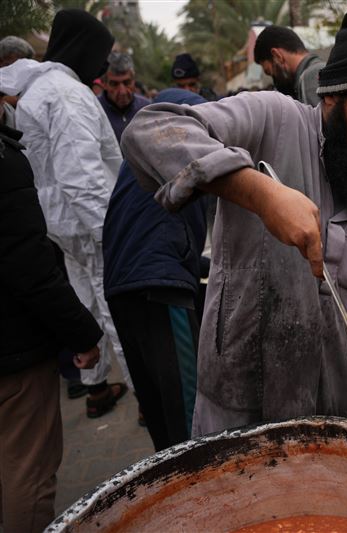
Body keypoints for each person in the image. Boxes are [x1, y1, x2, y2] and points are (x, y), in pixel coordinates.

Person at [122, 11, 347, 436]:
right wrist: (262, 195)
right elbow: (151, 130)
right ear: (332, 96)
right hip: (242, 402)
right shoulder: (272, 116)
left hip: (329, 411)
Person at [0, 9, 131, 418]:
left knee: (86, 300)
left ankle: (95, 387)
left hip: (62, 223)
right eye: (102, 55)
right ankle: (147, 395)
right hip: (89, 224)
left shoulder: (40, 91)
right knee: (118, 312)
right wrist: (112, 233)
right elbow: (82, 179)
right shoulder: (66, 94)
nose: (104, 65)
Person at [0, 121, 102, 533]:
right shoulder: (4, 162)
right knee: (28, 473)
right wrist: (82, 334)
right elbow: (29, 266)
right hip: (13, 358)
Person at [103, 88, 210, 452]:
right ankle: (199, 493)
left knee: (158, 407)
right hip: (160, 286)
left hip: (123, 286)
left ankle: (170, 486)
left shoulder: (139, 155)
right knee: (188, 411)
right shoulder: (187, 141)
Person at [254, 25, 325, 105]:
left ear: (277, 56)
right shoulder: (320, 70)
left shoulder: (310, 76)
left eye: (270, 72)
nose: (274, 81)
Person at [98, 51, 151, 143]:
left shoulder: (147, 108)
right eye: (114, 84)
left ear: (134, 81)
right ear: (104, 84)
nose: (122, 91)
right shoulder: (94, 110)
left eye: (127, 83)